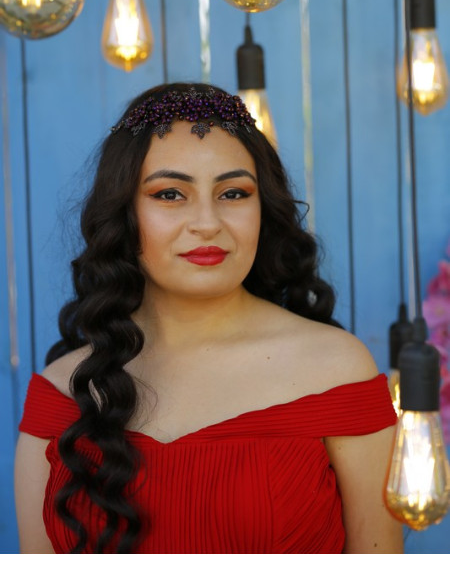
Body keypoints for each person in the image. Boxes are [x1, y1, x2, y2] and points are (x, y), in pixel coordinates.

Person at [14, 82, 403, 554]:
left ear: (263, 209)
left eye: (234, 193)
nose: (207, 223)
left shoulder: (337, 370)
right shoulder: (60, 394)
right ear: (124, 214)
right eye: (170, 194)